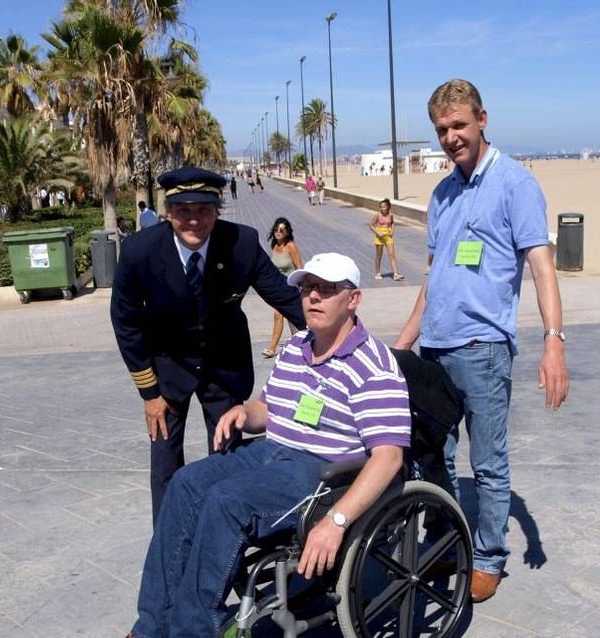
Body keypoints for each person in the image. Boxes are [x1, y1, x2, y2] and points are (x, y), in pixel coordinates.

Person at [126, 252, 410, 638]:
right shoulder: (296, 347)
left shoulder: (373, 366)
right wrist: (245, 412)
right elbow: (270, 409)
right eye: (308, 288)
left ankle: (191, 631)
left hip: (322, 472)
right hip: (271, 452)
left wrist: (336, 521)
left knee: (226, 501)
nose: (313, 297)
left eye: (326, 289)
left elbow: (389, 457)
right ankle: (151, 628)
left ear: (353, 298)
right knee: (185, 483)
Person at [394, 79, 569, 604]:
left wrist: (554, 342)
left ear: (483, 120)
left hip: (484, 349)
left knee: (488, 464)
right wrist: (402, 346)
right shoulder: (442, 193)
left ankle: (489, 556)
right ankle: (448, 541)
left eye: (459, 126)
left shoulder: (516, 184)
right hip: (436, 349)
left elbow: (542, 267)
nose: (450, 137)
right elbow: (435, 276)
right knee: (433, 456)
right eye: (442, 129)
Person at [111, 167, 306, 523]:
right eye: (183, 211)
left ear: (217, 210)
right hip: (167, 372)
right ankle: (171, 550)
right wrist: (149, 394)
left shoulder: (242, 243)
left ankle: (228, 541)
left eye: (203, 210)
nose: (193, 221)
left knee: (228, 459)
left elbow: (285, 297)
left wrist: (342, 332)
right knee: (166, 467)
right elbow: (126, 323)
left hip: (224, 368)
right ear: (169, 212)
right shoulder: (140, 251)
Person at [262, 217, 304, 358]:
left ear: (287, 232)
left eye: (281, 230)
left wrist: (302, 287)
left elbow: (299, 266)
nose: (278, 232)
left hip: (291, 287)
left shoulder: (290, 246)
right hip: (279, 287)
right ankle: (298, 344)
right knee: (284, 316)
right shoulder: (275, 245)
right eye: (276, 230)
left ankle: (273, 347)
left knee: (284, 316)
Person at [369, 198, 404, 281]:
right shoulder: (377, 215)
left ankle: (395, 274)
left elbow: (392, 223)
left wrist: (392, 231)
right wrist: (377, 233)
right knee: (379, 256)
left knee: (392, 255)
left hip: (388, 236)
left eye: (384, 207)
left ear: (388, 207)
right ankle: (377, 273)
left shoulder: (390, 215)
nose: (382, 209)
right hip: (379, 237)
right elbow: (371, 225)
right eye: (381, 207)